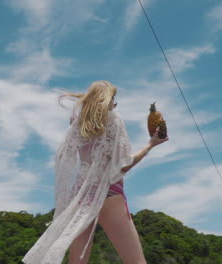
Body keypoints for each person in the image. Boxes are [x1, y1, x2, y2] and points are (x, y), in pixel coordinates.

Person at [22, 80, 169, 264]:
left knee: (76, 262)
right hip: (109, 194)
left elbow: (67, 158)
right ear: (106, 100)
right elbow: (123, 165)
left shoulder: (77, 125)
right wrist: (150, 145)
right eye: (113, 99)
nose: (114, 104)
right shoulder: (114, 120)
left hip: (82, 197)